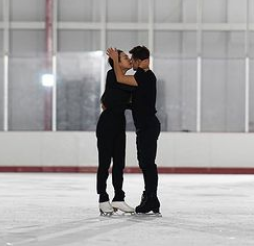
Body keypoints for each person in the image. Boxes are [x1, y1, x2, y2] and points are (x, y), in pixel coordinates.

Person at [107, 46, 161, 215]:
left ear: (138, 61)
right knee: (145, 162)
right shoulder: (143, 76)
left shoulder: (145, 76)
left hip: (148, 126)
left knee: (148, 163)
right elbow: (138, 102)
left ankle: (151, 198)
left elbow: (121, 77)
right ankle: (150, 197)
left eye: (133, 60)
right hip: (145, 126)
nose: (132, 63)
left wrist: (115, 59)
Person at [96, 49, 135, 216]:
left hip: (119, 123)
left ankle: (119, 196)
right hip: (107, 123)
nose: (129, 59)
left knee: (119, 163)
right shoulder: (113, 74)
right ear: (117, 63)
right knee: (105, 163)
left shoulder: (129, 80)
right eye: (125, 58)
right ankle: (103, 198)